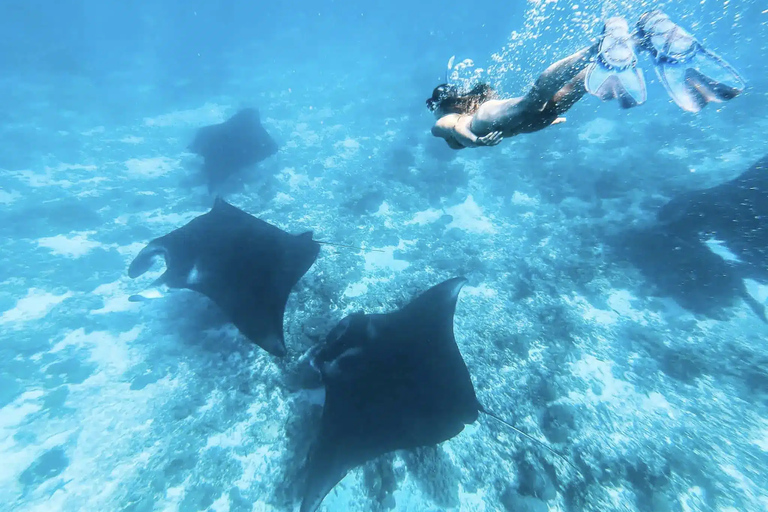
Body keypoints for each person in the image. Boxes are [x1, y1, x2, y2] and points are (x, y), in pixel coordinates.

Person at [428, 10, 745, 150]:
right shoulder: (463, 120)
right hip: (531, 121)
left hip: (505, 120)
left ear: (443, 105)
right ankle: (641, 38)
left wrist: (475, 142)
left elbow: (455, 129)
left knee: (535, 96)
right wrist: (545, 125)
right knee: (577, 85)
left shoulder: (446, 122)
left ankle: (598, 45)